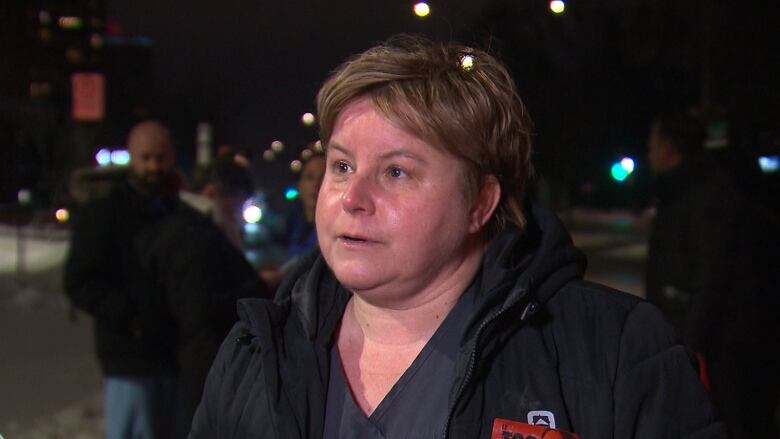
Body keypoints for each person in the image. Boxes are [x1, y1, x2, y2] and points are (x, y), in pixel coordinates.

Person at [190, 36, 724, 438]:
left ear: (479, 203)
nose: (352, 198)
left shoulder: (614, 354)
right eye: (342, 166)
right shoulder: (256, 353)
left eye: (396, 172)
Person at [646, 112, 779, 439]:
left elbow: (712, 276)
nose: (648, 152)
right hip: (707, 340)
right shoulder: (685, 190)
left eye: (652, 144)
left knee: (731, 422)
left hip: (722, 345)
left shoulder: (707, 194)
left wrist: (689, 345)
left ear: (668, 149)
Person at [64, 120, 185, 439]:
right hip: (130, 360)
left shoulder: (176, 211)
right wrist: (129, 317)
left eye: (160, 158)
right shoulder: (105, 213)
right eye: (146, 158)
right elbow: (79, 279)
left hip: (174, 357)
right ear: (132, 158)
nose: (154, 167)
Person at [138, 152, 273, 430]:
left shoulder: (190, 225)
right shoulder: (196, 233)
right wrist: (261, 285)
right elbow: (200, 307)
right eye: (237, 204)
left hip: (202, 362)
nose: (238, 214)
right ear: (214, 193)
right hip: (204, 363)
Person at [261, 151, 326, 288]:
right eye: (309, 177)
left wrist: (281, 277)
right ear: (299, 185)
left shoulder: (332, 233)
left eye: (323, 177)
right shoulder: (297, 224)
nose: (316, 184)